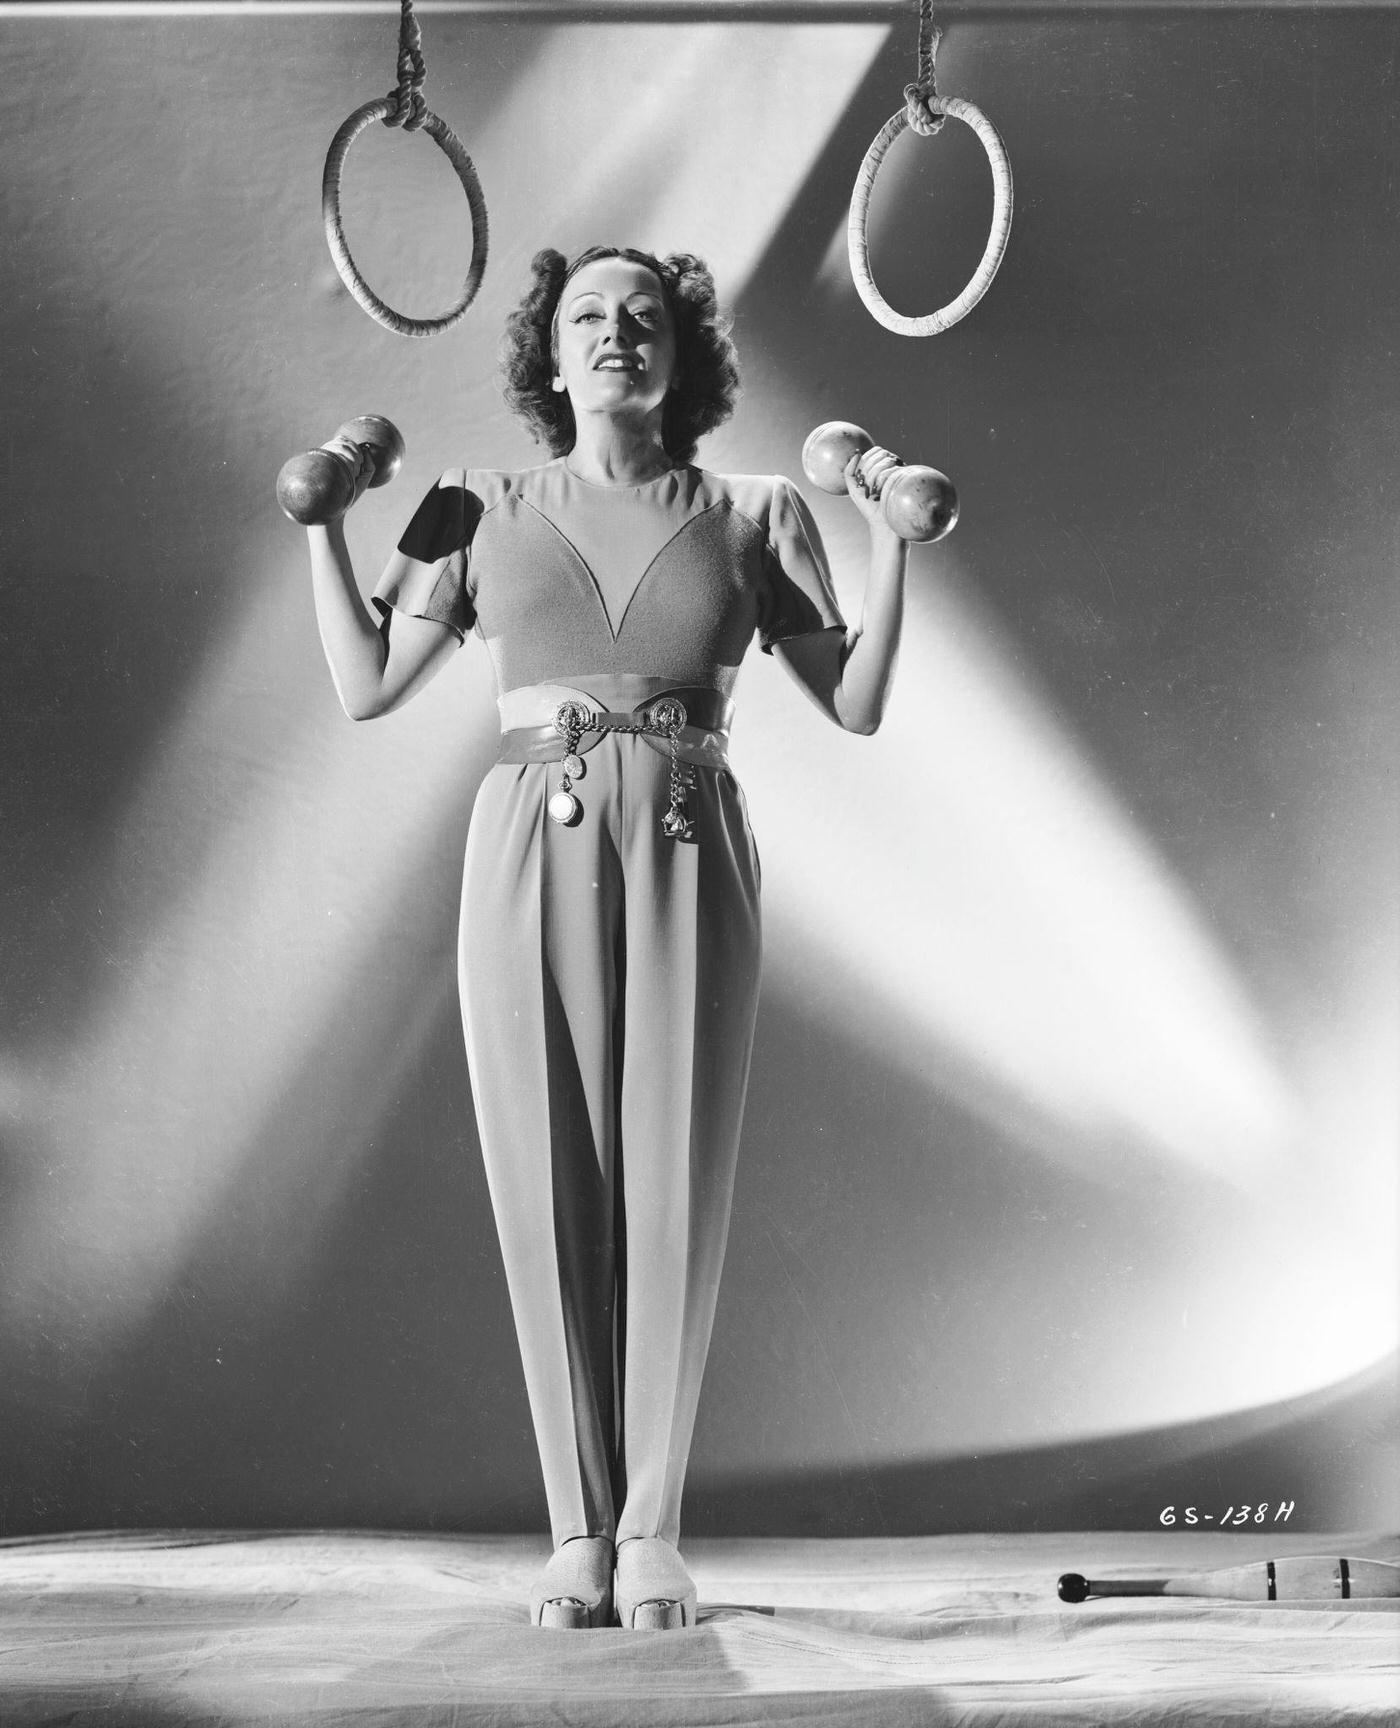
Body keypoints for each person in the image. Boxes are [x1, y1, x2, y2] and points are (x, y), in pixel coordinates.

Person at [302, 245, 909, 1630]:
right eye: (589, 316)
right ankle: (575, 1529)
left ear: (682, 352)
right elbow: (368, 684)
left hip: (691, 843)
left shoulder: (757, 513)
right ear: (548, 355)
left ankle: (653, 1531)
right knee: (547, 1186)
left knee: (672, 1187)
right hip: (528, 843)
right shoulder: (475, 505)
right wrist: (320, 530)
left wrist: (896, 548)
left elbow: (857, 703)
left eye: (645, 316)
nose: (617, 334)